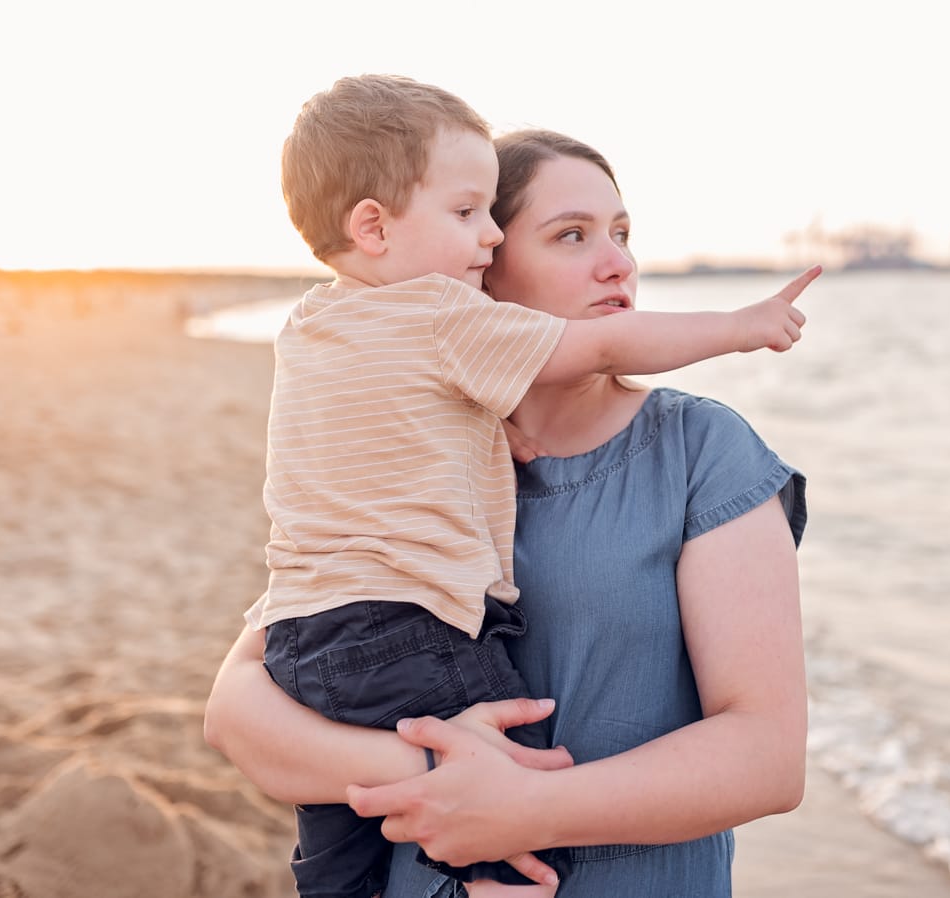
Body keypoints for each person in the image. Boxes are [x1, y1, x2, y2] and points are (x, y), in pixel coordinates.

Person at [207, 125, 811, 897]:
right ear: (482, 267)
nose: (618, 261)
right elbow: (236, 710)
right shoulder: (409, 457)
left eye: (623, 233)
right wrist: (437, 773)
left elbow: (769, 758)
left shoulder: (701, 450)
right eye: (571, 235)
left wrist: (531, 806)